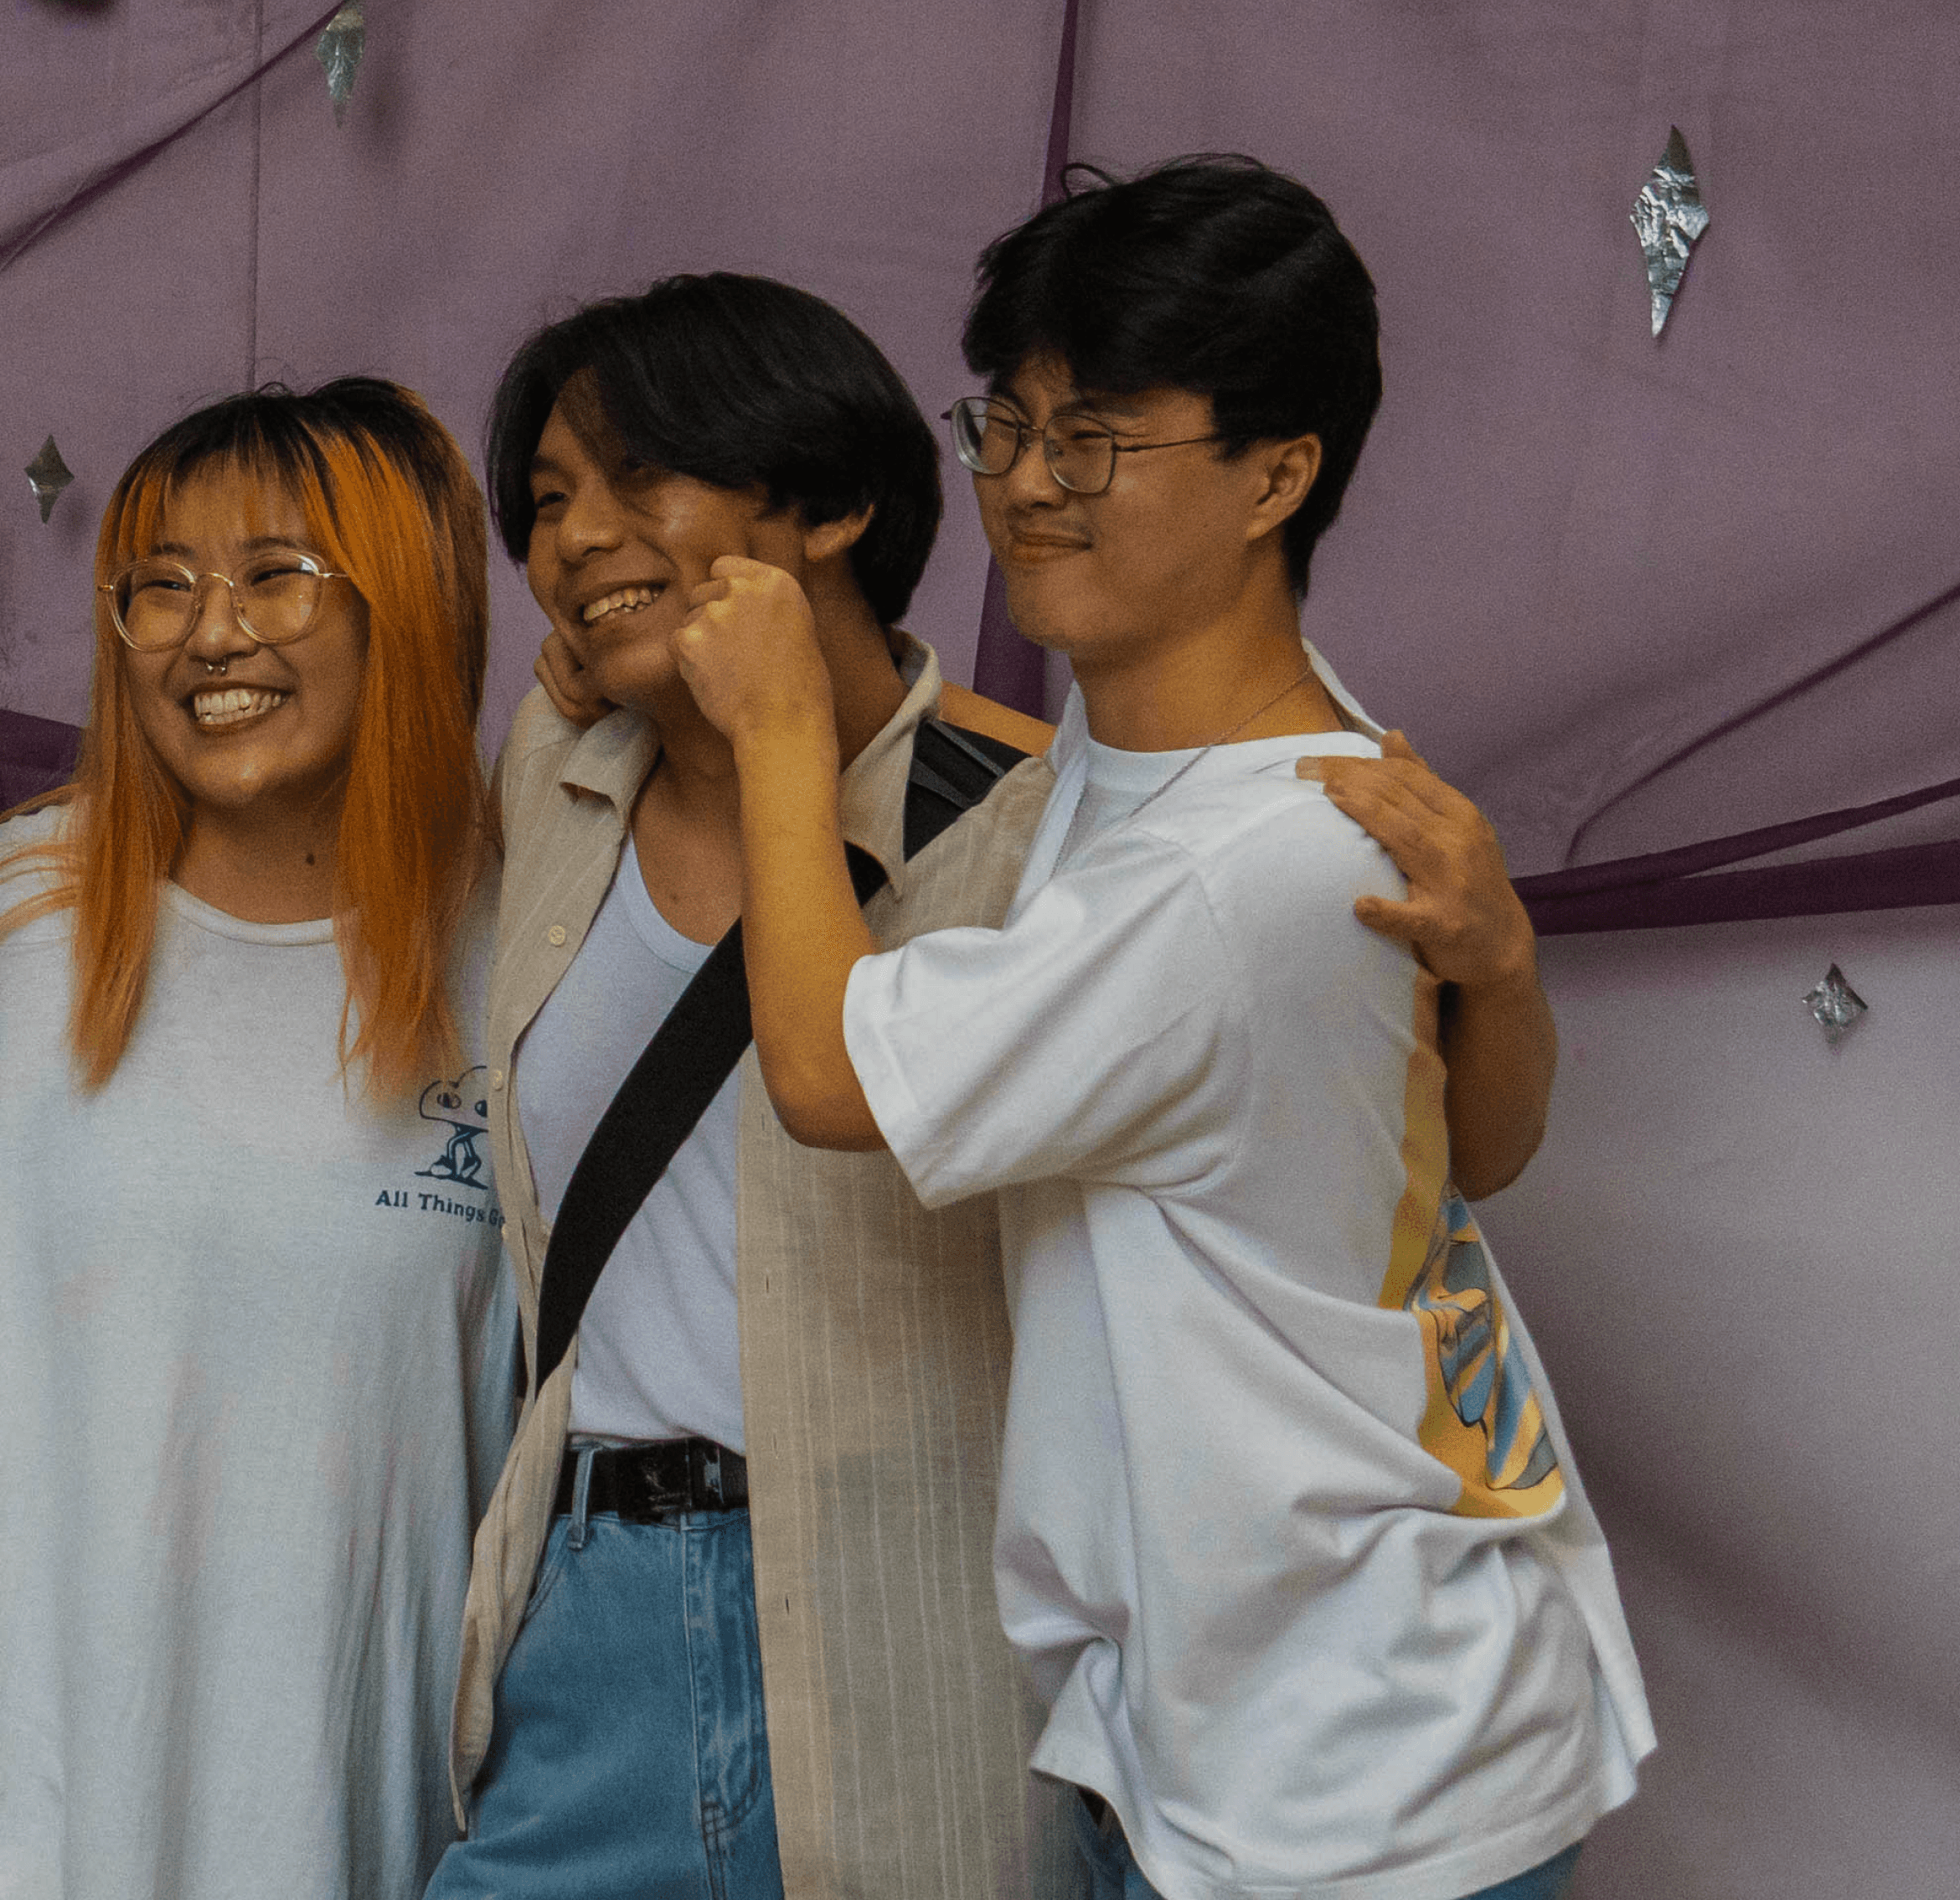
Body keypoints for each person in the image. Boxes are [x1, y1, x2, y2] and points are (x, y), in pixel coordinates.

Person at [430, 271, 1572, 1900]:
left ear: (827, 503)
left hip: (929, 1627)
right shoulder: (546, 784)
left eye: (639, 479)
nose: (578, 536)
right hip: (594, 1608)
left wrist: (1501, 961)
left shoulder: (1066, 832)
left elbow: (1455, 1167)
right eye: (548, 506)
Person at [675, 163, 1653, 1900]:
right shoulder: (1252, 755)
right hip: (1236, 1721)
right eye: (1011, 426)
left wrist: (775, 738)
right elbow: (1463, 1157)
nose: (1029, 488)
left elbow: (827, 1080)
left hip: (1351, 1767)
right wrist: (1497, 970)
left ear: (1278, 472)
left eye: (1099, 439)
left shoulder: (1245, 865)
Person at [0, 379, 518, 1900]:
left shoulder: (526, 948)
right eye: (159, 587)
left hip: (371, 1843)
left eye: (276, 575)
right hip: (14, 1833)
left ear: (410, 607)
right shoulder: (16, 918)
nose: (209, 633)